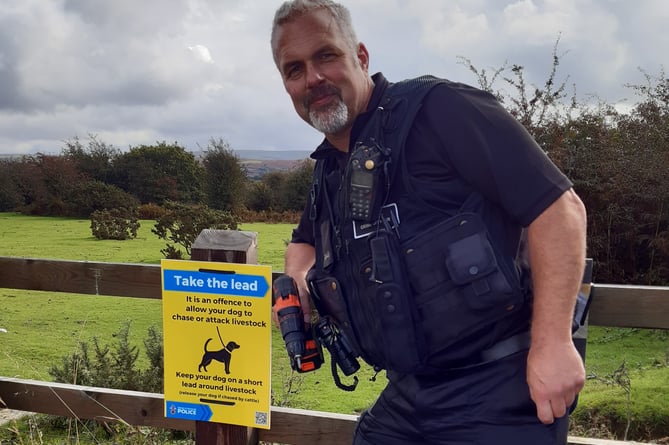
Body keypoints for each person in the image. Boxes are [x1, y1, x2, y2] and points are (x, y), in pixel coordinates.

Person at [270, 1, 588, 444]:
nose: (313, 78)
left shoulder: (439, 110)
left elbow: (559, 209)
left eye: (326, 55)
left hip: (500, 385)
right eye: (294, 69)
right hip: (410, 392)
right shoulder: (330, 166)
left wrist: (553, 343)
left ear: (360, 57)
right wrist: (299, 281)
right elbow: (303, 243)